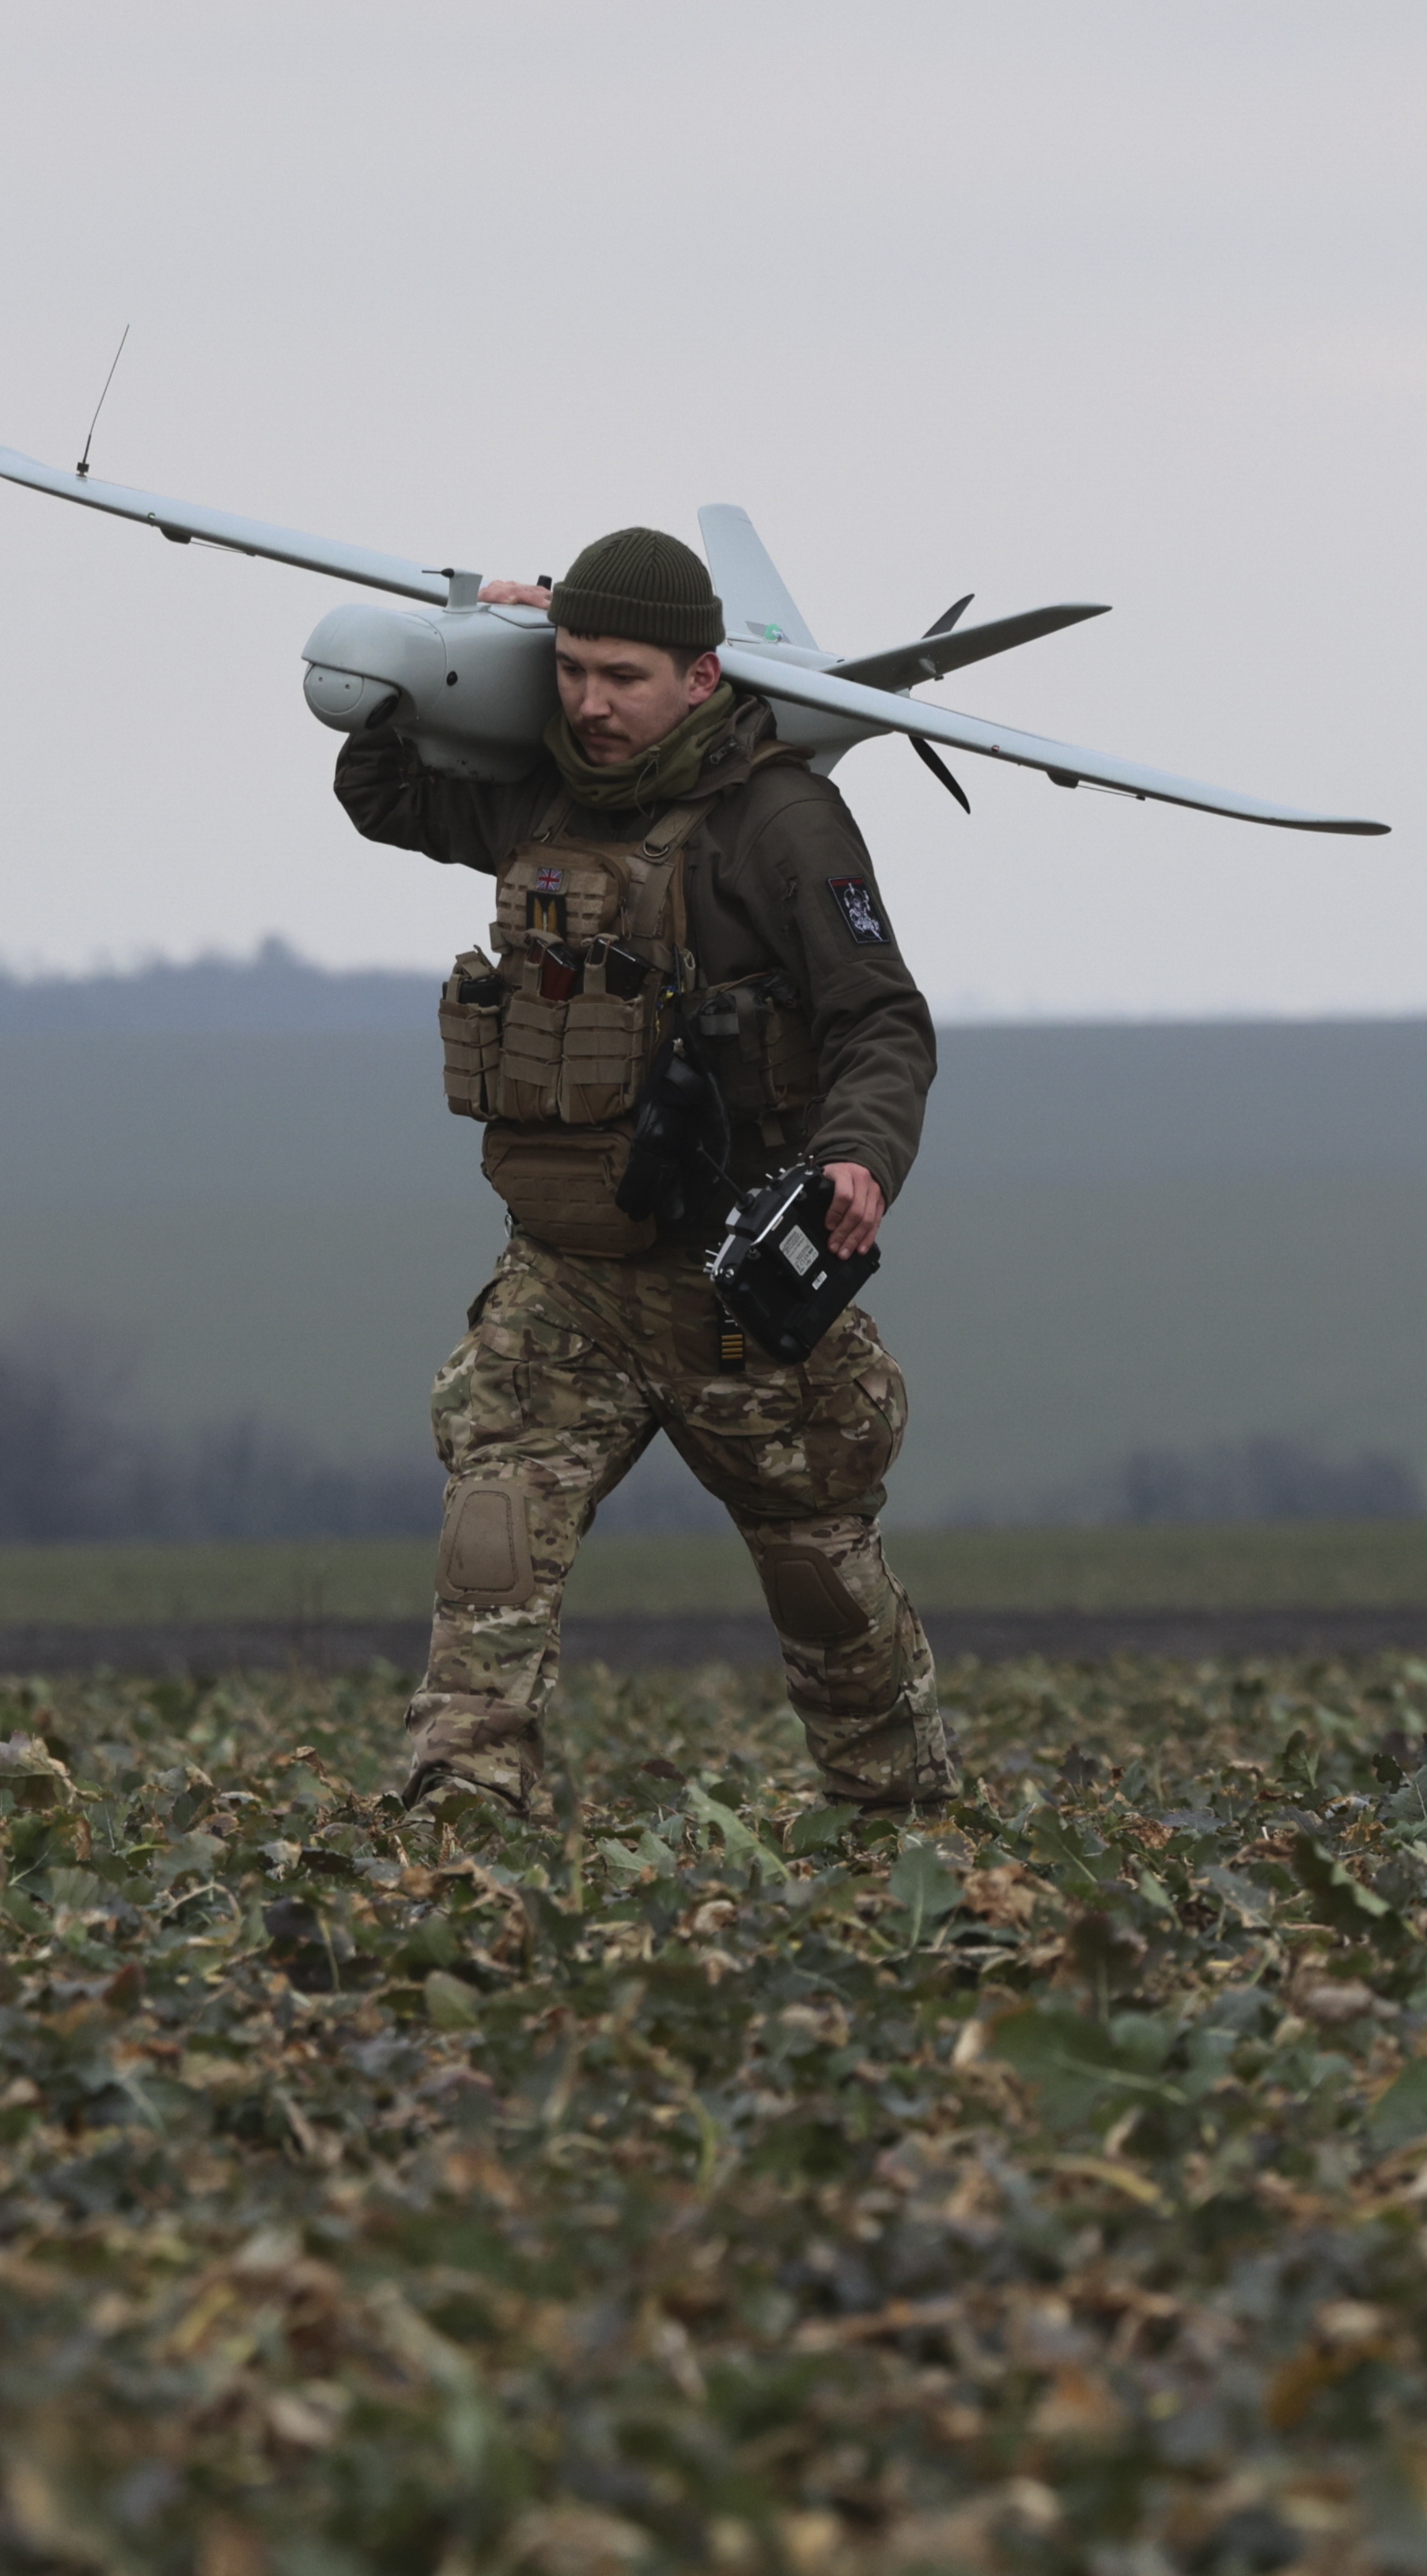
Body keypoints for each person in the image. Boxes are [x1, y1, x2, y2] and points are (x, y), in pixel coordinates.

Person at [336, 525, 960, 1816]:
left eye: (621, 676)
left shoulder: (783, 820)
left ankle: (903, 1822)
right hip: (565, 1280)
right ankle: (464, 1807)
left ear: (701, 677)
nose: (589, 704)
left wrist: (860, 1154)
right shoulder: (541, 789)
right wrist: (472, 643)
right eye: (569, 670)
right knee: (493, 1540)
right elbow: (386, 796)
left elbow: (882, 1018)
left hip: (732, 1284)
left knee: (822, 1577)